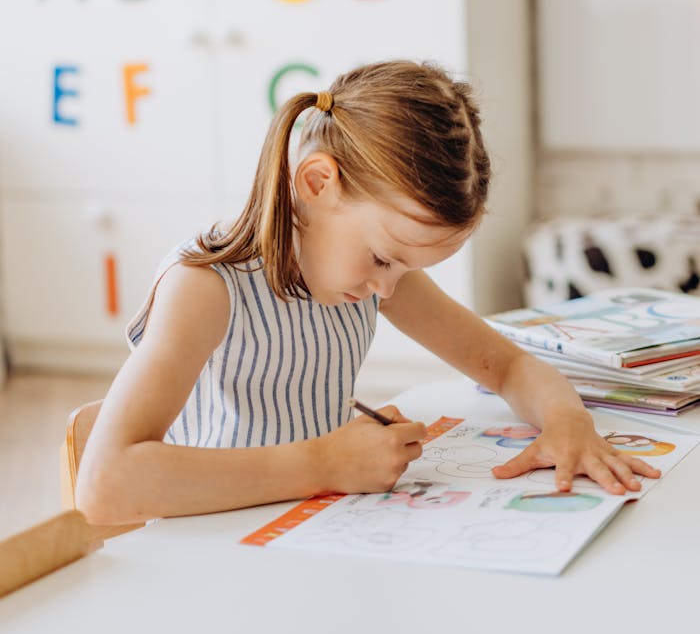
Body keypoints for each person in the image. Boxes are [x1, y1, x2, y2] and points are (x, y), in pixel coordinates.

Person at [76, 60, 660, 525]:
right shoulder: (204, 289)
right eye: (384, 257)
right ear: (316, 183)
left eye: (404, 268)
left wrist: (567, 422)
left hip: (321, 532)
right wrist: (324, 462)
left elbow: (503, 364)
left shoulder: (374, 279)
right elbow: (104, 486)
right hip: (217, 552)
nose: (388, 286)